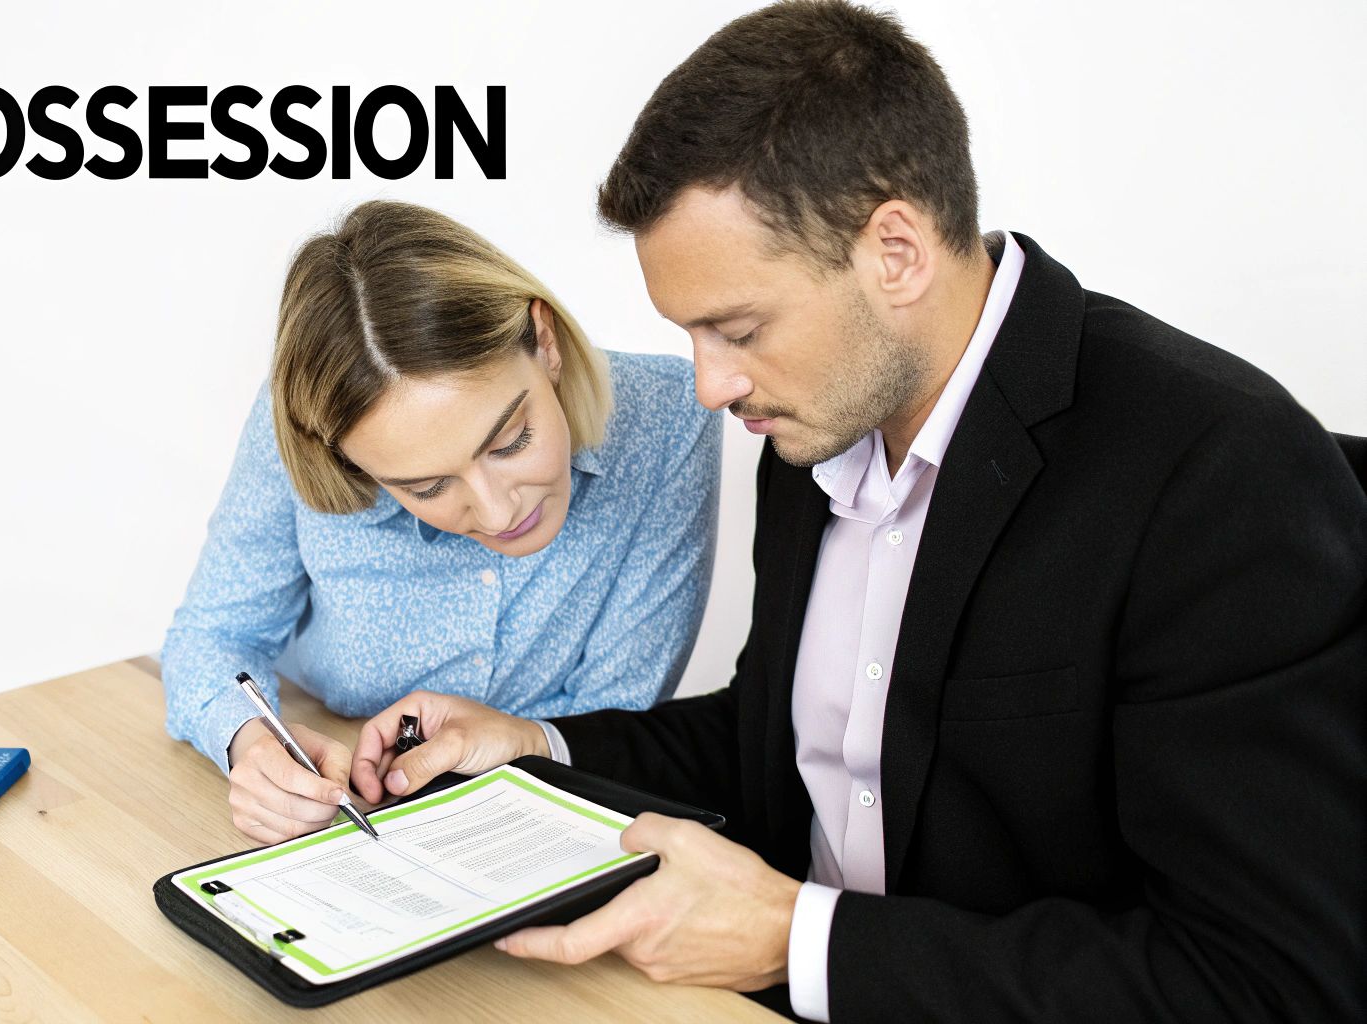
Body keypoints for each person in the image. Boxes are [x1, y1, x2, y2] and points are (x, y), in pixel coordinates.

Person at [347, 4, 1367, 1021]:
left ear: (894, 251)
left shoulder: (1215, 471)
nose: (707, 383)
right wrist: (542, 751)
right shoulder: (815, 420)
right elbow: (793, 740)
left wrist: (798, 939)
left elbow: (1268, 983)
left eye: (735, 327)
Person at [161, 200, 721, 846]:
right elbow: (213, 634)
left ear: (544, 343)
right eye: (426, 487)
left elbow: (618, 733)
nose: (497, 510)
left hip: (539, 836)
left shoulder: (675, 418)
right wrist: (248, 742)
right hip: (347, 827)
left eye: (510, 441)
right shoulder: (302, 429)